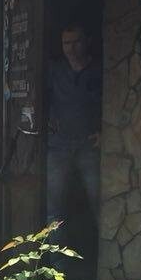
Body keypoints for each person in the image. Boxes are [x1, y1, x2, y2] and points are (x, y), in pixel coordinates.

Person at [45, 24, 101, 234]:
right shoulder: (54, 70)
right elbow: (39, 97)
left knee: (99, 201)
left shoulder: (99, 70)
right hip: (58, 144)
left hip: (89, 144)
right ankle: (54, 253)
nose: (71, 48)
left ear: (87, 41)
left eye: (76, 42)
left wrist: (104, 131)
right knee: (53, 206)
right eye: (66, 43)